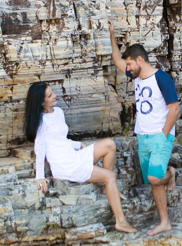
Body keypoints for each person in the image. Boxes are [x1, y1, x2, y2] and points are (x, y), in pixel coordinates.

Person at [24, 82, 137, 234]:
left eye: (52, 92)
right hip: (65, 165)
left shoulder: (58, 112)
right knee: (110, 176)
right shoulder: (40, 122)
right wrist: (40, 176)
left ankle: (107, 189)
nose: (55, 96)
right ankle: (121, 221)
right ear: (41, 102)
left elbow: (61, 139)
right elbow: (40, 149)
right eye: (50, 96)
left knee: (109, 144)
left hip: (73, 155)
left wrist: (77, 144)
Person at [107, 21, 180, 236]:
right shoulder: (137, 76)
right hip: (143, 136)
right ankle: (164, 223)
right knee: (152, 180)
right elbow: (116, 59)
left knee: (156, 178)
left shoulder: (161, 78)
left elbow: (175, 109)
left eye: (130, 64)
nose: (127, 68)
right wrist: (112, 34)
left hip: (160, 136)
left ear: (140, 60)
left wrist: (163, 135)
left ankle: (171, 173)